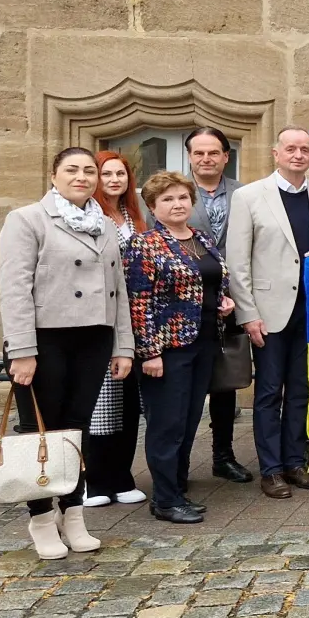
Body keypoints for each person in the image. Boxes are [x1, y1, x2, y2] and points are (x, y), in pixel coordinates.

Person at [0, 148, 135, 559]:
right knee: (40, 431)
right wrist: (22, 350)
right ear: (54, 175)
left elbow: (120, 289)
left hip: (93, 338)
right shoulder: (27, 219)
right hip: (44, 340)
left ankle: (72, 514)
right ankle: (41, 517)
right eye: (72, 170)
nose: (82, 177)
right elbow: (14, 288)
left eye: (88, 170)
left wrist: (123, 344)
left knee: (76, 432)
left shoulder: (104, 224)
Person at [226, 127, 309, 500]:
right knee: (269, 392)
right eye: (291, 148)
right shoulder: (249, 196)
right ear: (276, 152)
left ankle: (294, 461)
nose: (298, 155)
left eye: (305, 149)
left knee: (302, 391)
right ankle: (270, 469)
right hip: (268, 311)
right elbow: (238, 262)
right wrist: (248, 314)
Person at [126, 172, 236, 524]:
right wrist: (150, 353)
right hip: (168, 349)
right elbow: (138, 303)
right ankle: (165, 499)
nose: (177, 204)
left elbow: (214, 279)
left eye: (182, 198)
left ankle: (176, 489)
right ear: (154, 207)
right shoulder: (144, 245)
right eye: (168, 199)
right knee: (166, 424)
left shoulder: (201, 237)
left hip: (204, 342)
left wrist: (223, 302)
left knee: (189, 422)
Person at [185, 127, 253, 485]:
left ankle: (223, 455)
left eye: (214, 153)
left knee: (226, 382)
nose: (206, 159)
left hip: (233, 302)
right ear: (190, 157)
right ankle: (178, 460)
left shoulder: (247, 193)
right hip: (186, 305)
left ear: (227, 156)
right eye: (199, 153)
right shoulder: (174, 193)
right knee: (187, 384)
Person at [82, 151, 148, 508]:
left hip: (135, 318)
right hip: (103, 315)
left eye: (119, 174)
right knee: (100, 403)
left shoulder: (134, 217)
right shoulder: (91, 216)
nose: (113, 180)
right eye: (106, 173)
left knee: (128, 403)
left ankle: (122, 476)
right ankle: (95, 480)